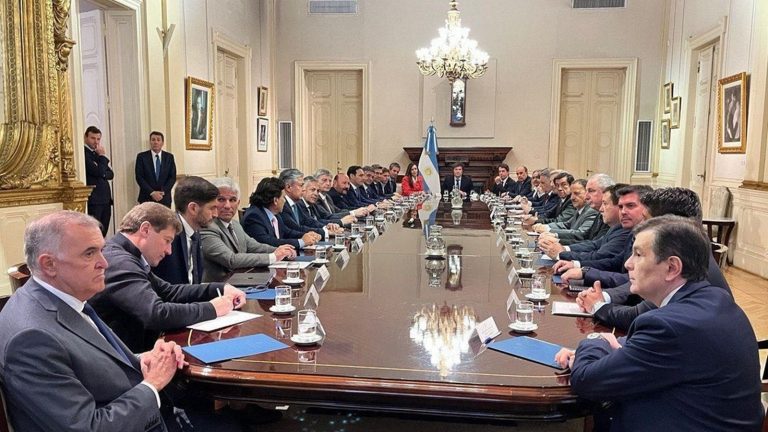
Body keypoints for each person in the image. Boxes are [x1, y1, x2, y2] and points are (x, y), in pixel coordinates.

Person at [555, 216, 763, 431]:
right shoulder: (716, 297)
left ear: (672, 267)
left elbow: (586, 380)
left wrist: (595, 339)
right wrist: (613, 348)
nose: (628, 264)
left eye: (638, 254)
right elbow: (652, 350)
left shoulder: (669, 326)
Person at [0, 211, 185, 431]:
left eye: (101, 250)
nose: (104, 263)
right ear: (49, 264)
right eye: (89, 253)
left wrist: (142, 359)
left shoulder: (64, 298)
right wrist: (153, 384)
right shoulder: (31, 339)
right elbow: (89, 427)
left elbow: (86, 363)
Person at [89, 202, 244, 352]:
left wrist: (219, 288)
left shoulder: (128, 255)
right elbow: (156, 314)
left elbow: (169, 292)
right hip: (129, 360)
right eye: (167, 241)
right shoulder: (120, 261)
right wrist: (212, 308)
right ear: (145, 230)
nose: (169, 251)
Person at [576, 187, 732, 331]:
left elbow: (637, 317)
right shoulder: (690, 251)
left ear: (669, 224)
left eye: (647, 220)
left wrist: (597, 306)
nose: (642, 224)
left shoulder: (685, 265)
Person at [201, 177, 296, 283]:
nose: (227, 206)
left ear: (238, 203)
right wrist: (273, 257)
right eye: (221, 200)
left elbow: (255, 247)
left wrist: (282, 251)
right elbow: (231, 260)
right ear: (212, 203)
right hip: (219, 287)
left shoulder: (235, 225)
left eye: (232, 200)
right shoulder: (207, 227)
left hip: (242, 282)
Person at [153, 176, 219, 285]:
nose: (216, 214)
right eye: (212, 208)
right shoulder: (168, 237)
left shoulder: (195, 232)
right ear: (193, 208)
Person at [242, 177, 320, 249]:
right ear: (275, 200)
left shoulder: (275, 214)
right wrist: (301, 242)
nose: (284, 201)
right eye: (283, 197)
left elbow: (287, 232)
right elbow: (268, 242)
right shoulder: (254, 216)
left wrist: (307, 235)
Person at [83, 126, 114, 236]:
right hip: (94, 200)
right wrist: (102, 156)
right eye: (93, 138)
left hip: (105, 199)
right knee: (95, 233)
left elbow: (110, 174)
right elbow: (99, 172)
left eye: (98, 139)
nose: (96, 142)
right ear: (85, 137)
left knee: (103, 232)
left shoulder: (96, 154)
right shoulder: (84, 153)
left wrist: (102, 173)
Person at [135, 131, 177, 207]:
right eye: (153, 139)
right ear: (150, 142)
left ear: (162, 143)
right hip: (146, 197)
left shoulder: (169, 157)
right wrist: (152, 192)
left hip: (164, 198)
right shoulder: (141, 157)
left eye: (158, 140)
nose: (155, 142)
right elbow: (139, 177)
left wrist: (162, 192)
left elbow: (172, 177)